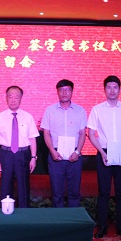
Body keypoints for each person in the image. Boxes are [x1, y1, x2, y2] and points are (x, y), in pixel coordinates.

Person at [87, 75, 121, 239]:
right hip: (104, 152)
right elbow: (91, 133)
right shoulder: (97, 109)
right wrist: (102, 152)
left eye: (115, 87)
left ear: (119, 89)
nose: (112, 90)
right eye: (108, 87)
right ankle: (102, 226)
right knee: (103, 192)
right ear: (104, 90)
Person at [41, 79, 87, 208]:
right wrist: (52, 151)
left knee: (74, 192)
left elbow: (82, 133)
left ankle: (73, 219)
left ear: (72, 91)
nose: (64, 93)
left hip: (75, 154)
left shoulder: (80, 110)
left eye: (67, 90)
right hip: (56, 154)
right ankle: (58, 219)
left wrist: (77, 151)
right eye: (61, 90)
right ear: (57, 92)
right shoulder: (50, 110)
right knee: (57, 193)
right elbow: (46, 133)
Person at [0, 86, 39, 208]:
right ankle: (6, 212)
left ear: (21, 98)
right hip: (5, 154)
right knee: (5, 185)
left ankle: (24, 213)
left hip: (23, 154)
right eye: (10, 97)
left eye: (16, 97)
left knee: (23, 185)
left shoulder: (28, 117)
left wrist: (33, 157)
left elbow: (32, 139)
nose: (13, 100)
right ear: (6, 98)